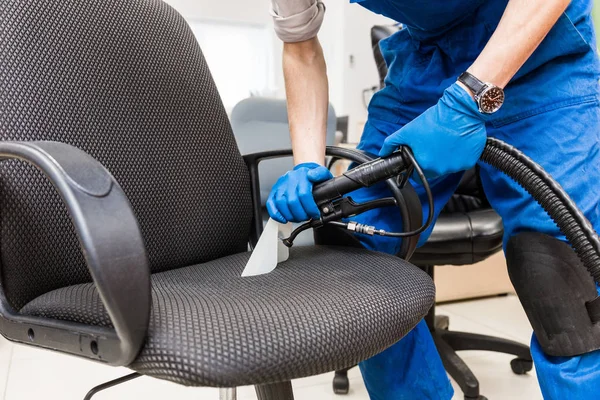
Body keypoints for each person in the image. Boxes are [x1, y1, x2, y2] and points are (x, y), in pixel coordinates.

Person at [267, 0, 600, 399]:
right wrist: (307, 164)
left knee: (563, 276)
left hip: (539, 52)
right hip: (426, 69)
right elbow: (301, 46)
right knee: (353, 253)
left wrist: (471, 94)